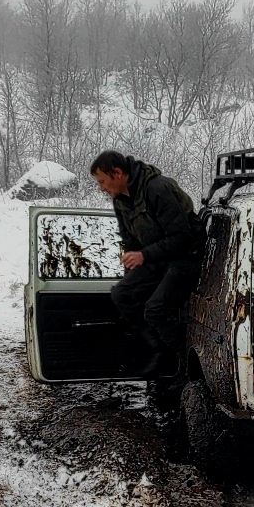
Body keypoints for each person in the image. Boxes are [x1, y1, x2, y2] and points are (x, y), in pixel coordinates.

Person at [91, 150, 202, 380]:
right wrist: (133, 266)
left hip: (185, 257)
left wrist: (144, 255)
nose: (101, 188)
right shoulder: (120, 200)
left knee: (156, 309)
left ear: (118, 173)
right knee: (123, 293)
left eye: (102, 181)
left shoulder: (156, 188)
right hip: (156, 258)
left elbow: (182, 237)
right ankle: (159, 350)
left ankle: (188, 365)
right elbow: (130, 242)